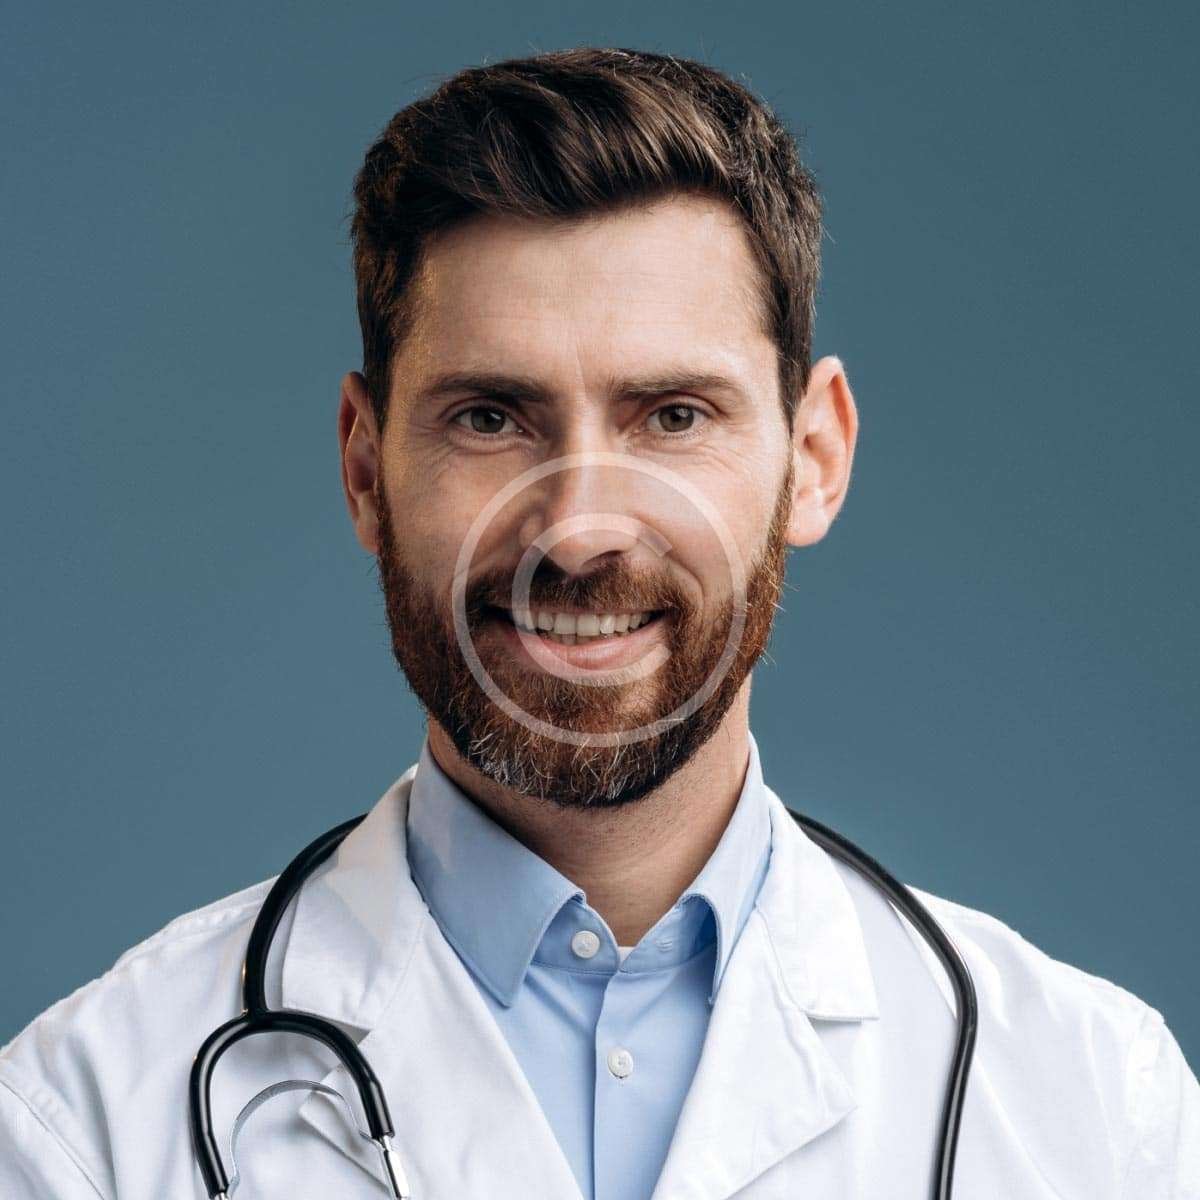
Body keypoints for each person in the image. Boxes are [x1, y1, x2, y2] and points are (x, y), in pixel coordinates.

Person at [1, 46, 1196, 1200]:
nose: (577, 532)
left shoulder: (1097, 1110)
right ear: (366, 472)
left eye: (673, 416)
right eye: (489, 418)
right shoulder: (86, 1126)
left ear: (814, 457)